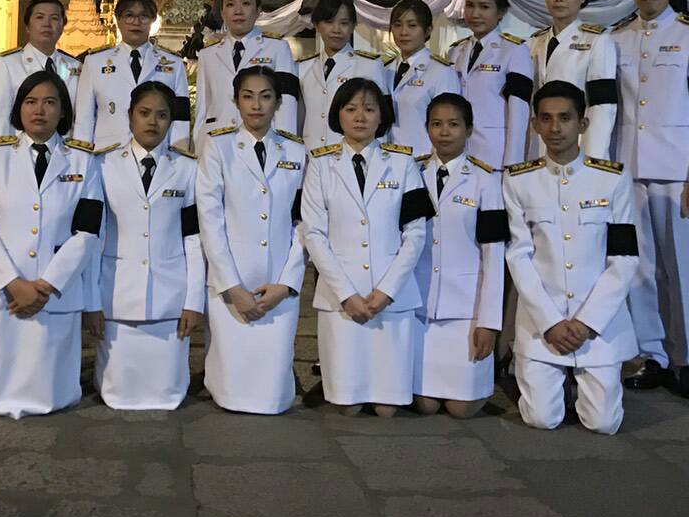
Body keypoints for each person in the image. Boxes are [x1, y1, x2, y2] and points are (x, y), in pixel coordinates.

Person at [0, 71, 106, 418]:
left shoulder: (83, 161)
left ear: (63, 110)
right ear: (19, 109)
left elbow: (87, 231)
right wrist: (13, 284)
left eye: (49, 102)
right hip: (2, 290)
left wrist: (46, 284)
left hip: (53, 290)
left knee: (49, 386)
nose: (39, 110)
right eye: (30, 102)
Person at [614, 0, 689, 399]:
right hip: (628, 170)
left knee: (684, 270)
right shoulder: (617, 38)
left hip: (678, 172)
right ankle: (652, 355)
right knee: (638, 269)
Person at [503, 82, 638, 436]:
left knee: (604, 423)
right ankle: (555, 378)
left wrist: (586, 322)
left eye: (565, 118)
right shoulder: (518, 180)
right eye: (546, 118)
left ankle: (580, 380)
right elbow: (518, 256)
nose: (555, 127)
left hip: (597, 325)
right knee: (541, 418)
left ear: (583, 123)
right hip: (541, 323)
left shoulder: (611, 178)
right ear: (534, 124)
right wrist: (550, 322)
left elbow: (624, 258)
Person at [303, 78, 428, 416]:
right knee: (348, 406)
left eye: (369, 109)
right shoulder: (320, 164)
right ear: (337, 114)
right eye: (351, 109)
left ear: (381, 115)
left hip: (391, 296)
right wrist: (346, 294)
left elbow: (416, 233)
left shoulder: (404, 163)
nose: (360, 117)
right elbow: (314, 234)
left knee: (388, 409)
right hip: (341, 297)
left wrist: (387, 290)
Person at [86, 81, 205, 410]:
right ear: (129, 116)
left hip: (170, 297)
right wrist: (91, 300)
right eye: (144, 113)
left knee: (167, 391)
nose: (153, 122)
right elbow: (92, 238)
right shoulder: (102, 165)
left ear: (171, 121)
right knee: (116, 390)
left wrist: (194, 301)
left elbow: (194, 239)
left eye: (162, 115)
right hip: (117, 294)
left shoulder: (188, 169)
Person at [196, 65, 308, 414]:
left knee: (272, 390)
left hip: (278, 280)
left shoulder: (297, 151)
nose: (256, 105)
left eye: (265, 97)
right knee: (231, 383)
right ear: (235, 101)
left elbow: (303, 222)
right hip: (232, 281)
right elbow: (210, 220)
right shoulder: (218, 147)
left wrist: (287, 284)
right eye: (248, 96)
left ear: (278, 103)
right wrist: (232, 287)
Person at [412, 93, 506, 418]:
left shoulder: (486, 180)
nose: (444, 132)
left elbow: (494, 254)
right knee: (425, 406)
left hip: (466, 311)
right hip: (420, 308)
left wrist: (489, 323)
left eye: (453, 124)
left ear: (469, 129)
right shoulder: (412, 174)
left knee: (461, 409)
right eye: (436, 124)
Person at [74, 0, 191, 150]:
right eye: (129, 15)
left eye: (143, 16)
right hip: (109, 155)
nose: (136, 22)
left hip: (158, 155)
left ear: (153, 20)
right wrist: (81, 159)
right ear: (118, 19)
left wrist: (178, 157)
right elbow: (84, 120)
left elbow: (181, 120)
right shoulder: (95, 62)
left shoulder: (174, 64)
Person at [194, 0, 298, 152]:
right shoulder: (208, 54)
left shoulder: (278, 48)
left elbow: (287, 103)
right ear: (223, 12)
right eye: (230, 4)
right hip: (216, 145)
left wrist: (285, 149)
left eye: (246, 3)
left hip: (261, 142)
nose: (238, 11)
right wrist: (198, 149)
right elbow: (202, 109)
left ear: (258, 10)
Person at [527, 0, 617, 160]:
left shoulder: (597, 40)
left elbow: (602, 105)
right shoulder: (535, 42)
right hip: (541, 144)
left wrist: (593, 156)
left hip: (578, 145)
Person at [448, 0, 533, 170]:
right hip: (458, 150)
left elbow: (519, 111)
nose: (475, 14)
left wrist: (513, 163)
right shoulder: (456, 51)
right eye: (470, 5)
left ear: (500, 12)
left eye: (484, 7)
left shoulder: (514, 50)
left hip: (495, 152)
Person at [298, 0, 388, 151]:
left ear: (353, 26)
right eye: (329, 22)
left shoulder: (369, 65)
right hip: (310, 155)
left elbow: (381, 119)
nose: (336, 30)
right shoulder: (302, 67)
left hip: (350, 154)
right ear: (317, 26)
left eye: (344, 23)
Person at [0, 0, 83, 137]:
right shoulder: (6, 65)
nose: (47, 24)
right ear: (27, 26)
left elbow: (80, 121)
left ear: (62, 27)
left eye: (54, 18)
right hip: (21, 148)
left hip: (64, 149)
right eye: (39, 17)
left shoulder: (76, 68)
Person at [386, 0, 461, 159]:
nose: (403, 32)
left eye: (412, 25)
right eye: (397, 25)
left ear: (427, 30)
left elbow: (449, 125)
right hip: (386, 160)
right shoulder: (384, 69)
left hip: (422, 160)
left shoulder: (441, 71)